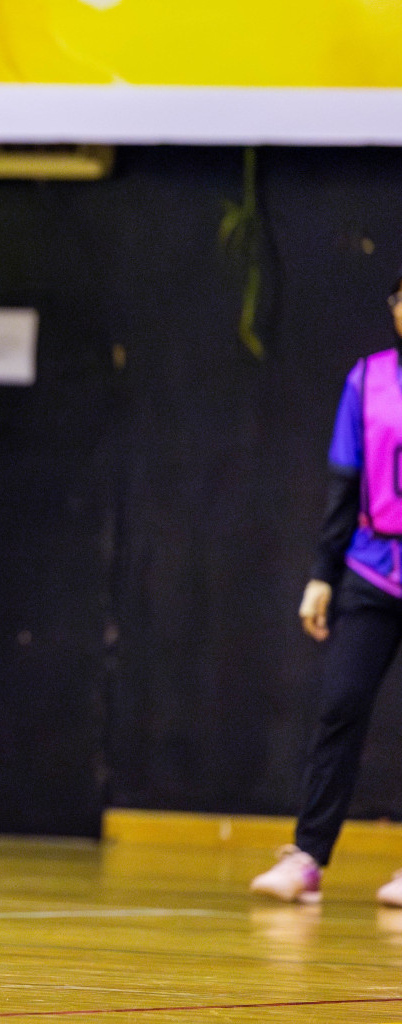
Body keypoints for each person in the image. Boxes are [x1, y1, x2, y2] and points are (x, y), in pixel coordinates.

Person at [252, 274, 402, 906]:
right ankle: (308, 855)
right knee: (340, 704)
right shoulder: (367, 380)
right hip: (372, 571)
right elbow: (344, 485)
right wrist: (322, 574)